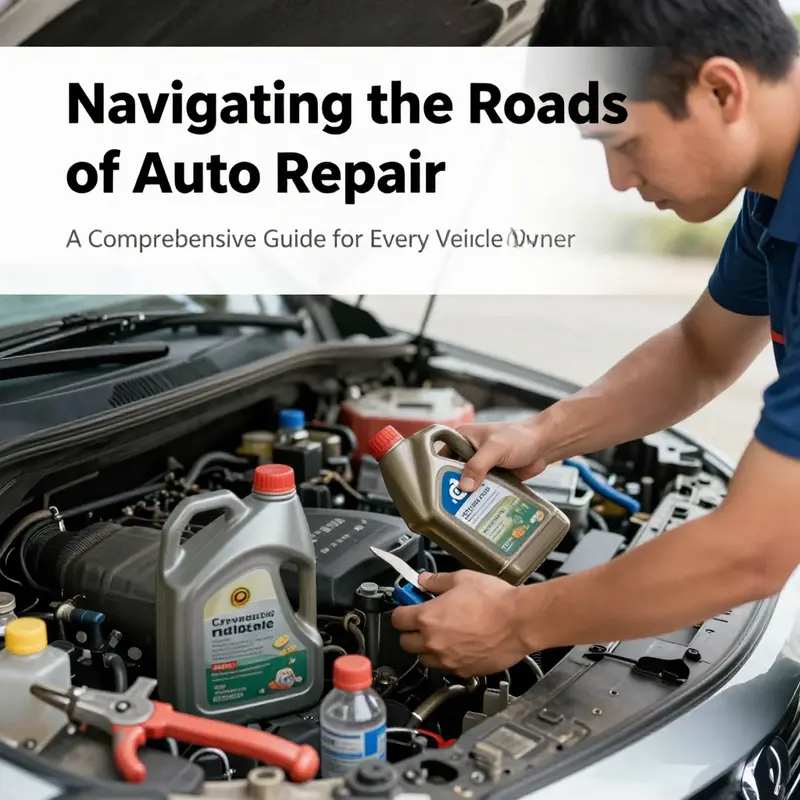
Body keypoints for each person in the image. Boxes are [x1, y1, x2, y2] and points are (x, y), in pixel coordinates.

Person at [391, 0, 800, 678]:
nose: (620, 179)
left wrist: (518, 621)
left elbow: (754, 549)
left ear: (722, 90)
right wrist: (546, 434)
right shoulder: (773, 200)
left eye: (625, 142)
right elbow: (701, 351)